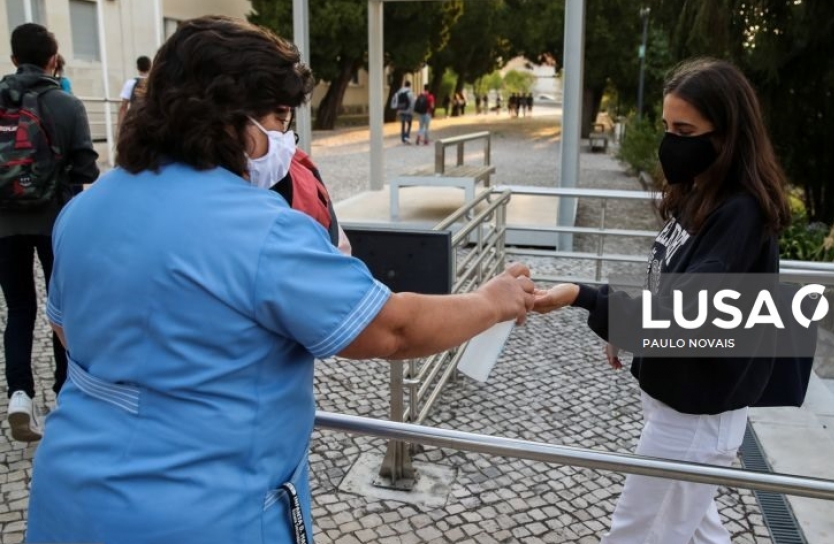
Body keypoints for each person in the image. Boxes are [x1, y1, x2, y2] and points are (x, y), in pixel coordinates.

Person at [26, 16, 535, 544]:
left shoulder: (86, 210)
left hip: (68, 500)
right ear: (228, 118)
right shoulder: (262, 229)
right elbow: (394, 330)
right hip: (206, 514)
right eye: (279, 115)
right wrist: (491, 301)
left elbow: (68, 331)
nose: (287, 137)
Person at [533, 57, 790, 544]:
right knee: (696, 528)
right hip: (681, 398)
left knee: (638, 532)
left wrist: (584, 297)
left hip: (696, 412)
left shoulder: (740, 212)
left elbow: (685, 310)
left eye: (685, 129)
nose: (671, 141)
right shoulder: (701, 192)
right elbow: (667, 276)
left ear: (727, 133)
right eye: (668, 126)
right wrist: (623, 328)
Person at [0, 23, 99, 442]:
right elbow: (88, 169)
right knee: (66, 307)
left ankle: (20, 394)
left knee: (19, 308)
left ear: (12, 57)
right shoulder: (66, 104)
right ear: (53, 59)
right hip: (57, 222)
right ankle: (66, 392)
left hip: (4, 224)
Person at [117, 54, 151, 126]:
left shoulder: (130, 83)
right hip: (151, 120)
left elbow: (124, 106)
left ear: (137, 67)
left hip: (135, 119)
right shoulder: (155, 83)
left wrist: (120, 126)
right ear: (150, 67)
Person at [392, 79, 414, 144]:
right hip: (408, 111)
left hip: (401, 110)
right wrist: (412, 110)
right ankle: (407, 136)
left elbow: (396, 100)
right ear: (409, 85)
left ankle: (402, 138)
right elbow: (412, 103)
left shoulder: (399, 92)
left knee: (403, 124)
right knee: (409, 124)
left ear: (404, 85)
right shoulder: (410, 92)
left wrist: (397, 109)